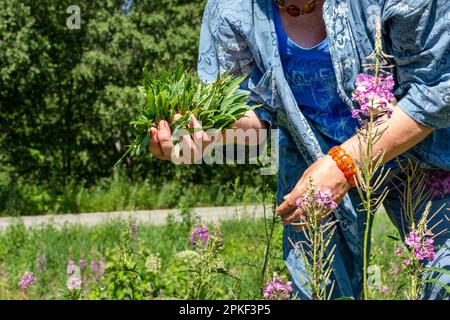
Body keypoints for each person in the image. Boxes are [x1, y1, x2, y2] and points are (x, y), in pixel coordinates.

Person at [148, 0, 450, 299]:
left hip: (424, 150)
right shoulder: (231, 9)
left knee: (444, 278)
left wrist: (344, 163)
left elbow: (437, 90)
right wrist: (210, 135)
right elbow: (256, 110)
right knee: (319, 287)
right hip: (312, 160)